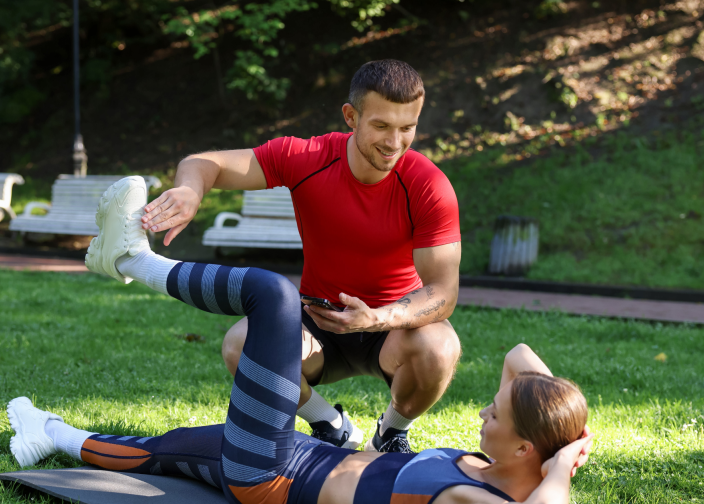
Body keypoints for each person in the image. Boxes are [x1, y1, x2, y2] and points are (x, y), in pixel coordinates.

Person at [7, 177, 595, 504]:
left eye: (496, 414)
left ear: (526, 452)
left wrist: (564, 460)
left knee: (274, 297)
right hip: (306, 458)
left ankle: (133, 260)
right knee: (173, 448)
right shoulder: (498, 466)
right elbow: (520, 358)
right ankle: (51, 433)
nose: (486, 409)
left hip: (274, 482)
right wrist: (571, 430)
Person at [135, 59, 462, 453]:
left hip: (392, 328)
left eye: (406, 128)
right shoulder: (308, 157)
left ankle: (391, 433)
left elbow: (443, 291)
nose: (394, 142)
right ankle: (330, 424)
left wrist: (379, 317)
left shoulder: (428, 185)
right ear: (351, 117)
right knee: (241, 344)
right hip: (320, 326)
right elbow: (204, 164)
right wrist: (191, 190)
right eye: (381, 126)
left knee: (440, 348)